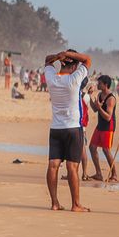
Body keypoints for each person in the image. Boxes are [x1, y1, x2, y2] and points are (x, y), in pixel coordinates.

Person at [43, 49, 93, 212]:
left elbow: (47, 61)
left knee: (53, 166)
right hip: (73, 128)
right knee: (73, 167)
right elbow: (87, 60)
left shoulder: (51, 78)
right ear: (73, 66)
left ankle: (54, 203)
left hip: (56, 128)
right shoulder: (74, 80)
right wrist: (68, 54)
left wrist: (59, 56)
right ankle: (76, 204)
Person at [86, 75, 119, 182]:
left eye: (99, 83)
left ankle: (114, 174)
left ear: (105, 85)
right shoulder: (100, 94)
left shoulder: (111, 98)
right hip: (100, 125)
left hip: (108, 127)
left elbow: (108, 117)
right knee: (92, 147)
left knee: (106, 150)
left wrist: (99, 107)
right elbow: (95, 109)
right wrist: (90, 97)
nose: (98, 84)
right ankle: (99, 173)